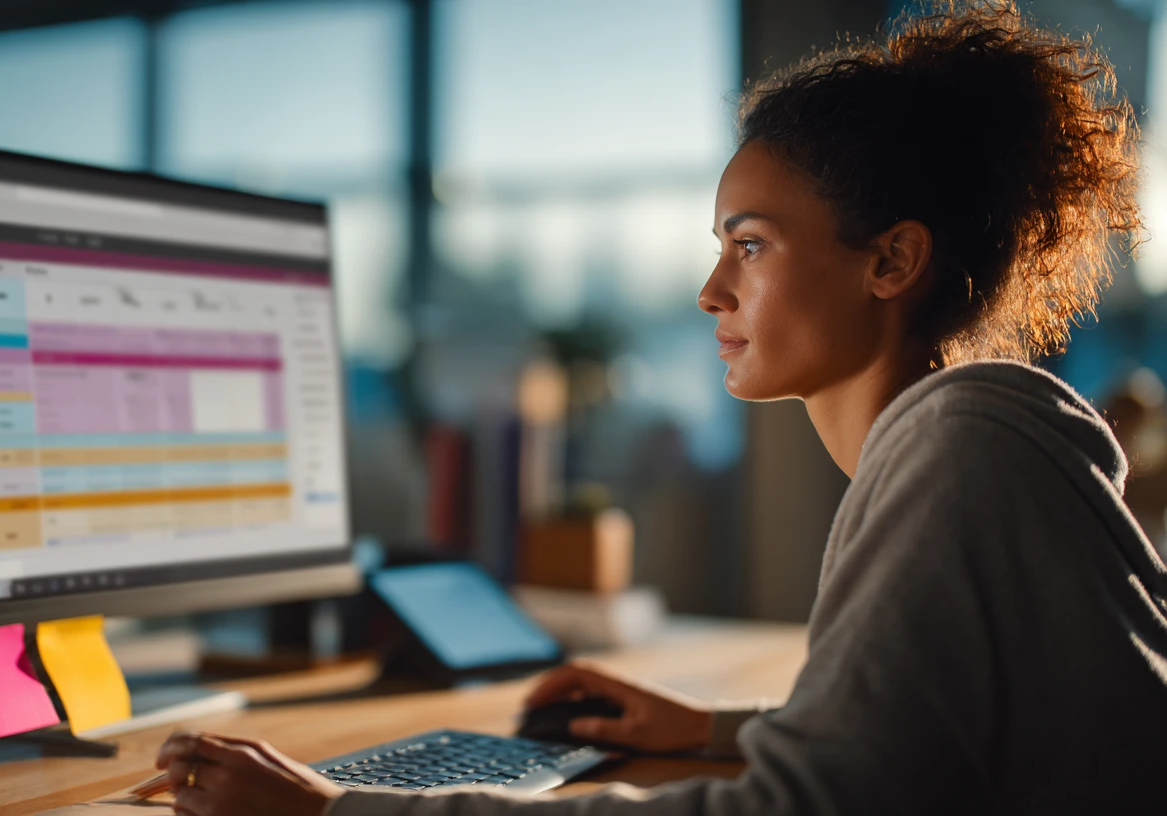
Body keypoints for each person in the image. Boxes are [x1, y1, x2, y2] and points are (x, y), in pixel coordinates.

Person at [154, 2, 1167, 813]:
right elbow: (924, 731)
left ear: (891, 259)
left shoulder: (957, 448)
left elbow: (807, 800)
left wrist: (337, 810)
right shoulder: (973, 437)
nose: (710, 291)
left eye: (751, 244)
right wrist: (710, 730)